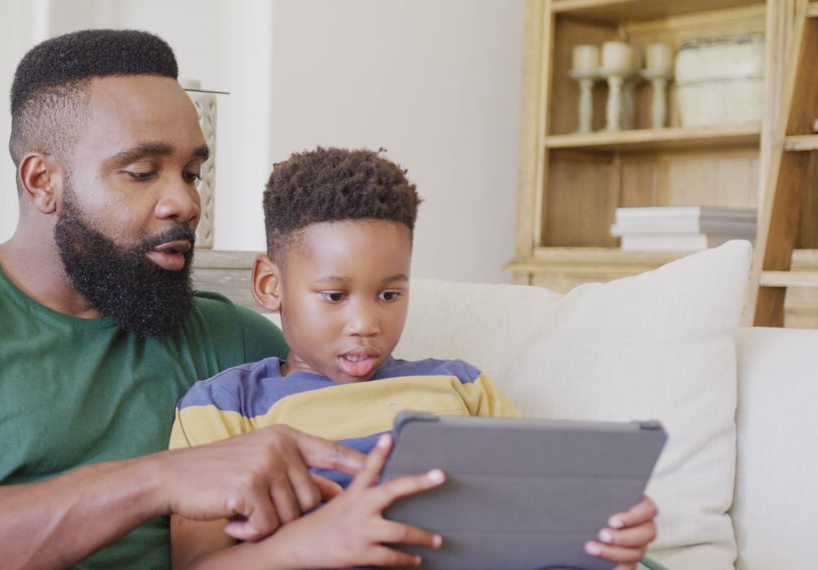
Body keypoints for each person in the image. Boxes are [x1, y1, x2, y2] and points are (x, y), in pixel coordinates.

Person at [0, 30, 426, 569]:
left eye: (192, 172)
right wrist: (158, 480)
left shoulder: (243, 348)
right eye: (142, 172)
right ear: (43, 181)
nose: (185, 202)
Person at [169, 147, 659, 570]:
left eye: (389, 294)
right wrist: (309, 544)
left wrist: (605, 540)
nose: (366, 323)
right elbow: (195, 565)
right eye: (335, 296)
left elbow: (528, 527)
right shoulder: (223, 407)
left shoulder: (461, 388)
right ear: (270, 285)